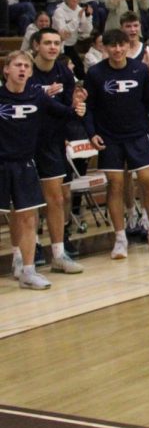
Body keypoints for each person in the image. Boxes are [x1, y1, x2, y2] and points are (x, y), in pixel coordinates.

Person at [2, 50, 86, 290]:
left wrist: (78, 108)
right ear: (6, 69)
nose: (22, 70)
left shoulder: (38, 97)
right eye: (17, 65)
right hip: (1, 165)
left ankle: (28, 271)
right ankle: (17, 260)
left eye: (26, 67)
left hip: (25, 164)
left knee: (28, 216)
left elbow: (66, 113)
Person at [84, 29, 149, 260]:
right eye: (112, 46)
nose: (117, 50)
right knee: (116, 185)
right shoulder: (95, 73)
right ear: (104, 48)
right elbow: (88, 107)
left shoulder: (140, 70)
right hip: (110, 138)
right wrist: (92, 133)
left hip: (138, 135)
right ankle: (120, 237)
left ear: (128, 47)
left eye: (121, 45)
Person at [28, 28, 86, 275]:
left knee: (56, 198)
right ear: (35, 45)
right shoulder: (25, 70)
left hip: (53, 141)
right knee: (26, 204)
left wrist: (76, 108)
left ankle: (58, 254)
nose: (52, 47)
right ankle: (29, 253)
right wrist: (47, 98)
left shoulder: (63, 72)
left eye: (56, 43)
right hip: (25, 143)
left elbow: (67, 105)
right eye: (47, 43)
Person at [51, 0, 93, 70]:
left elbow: (86, 31)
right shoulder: (59, 11)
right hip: (59, 46)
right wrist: (77, 19)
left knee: (80, 71)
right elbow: (63, 32)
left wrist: (88, 17)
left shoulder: (80, 10)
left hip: (72, 45)